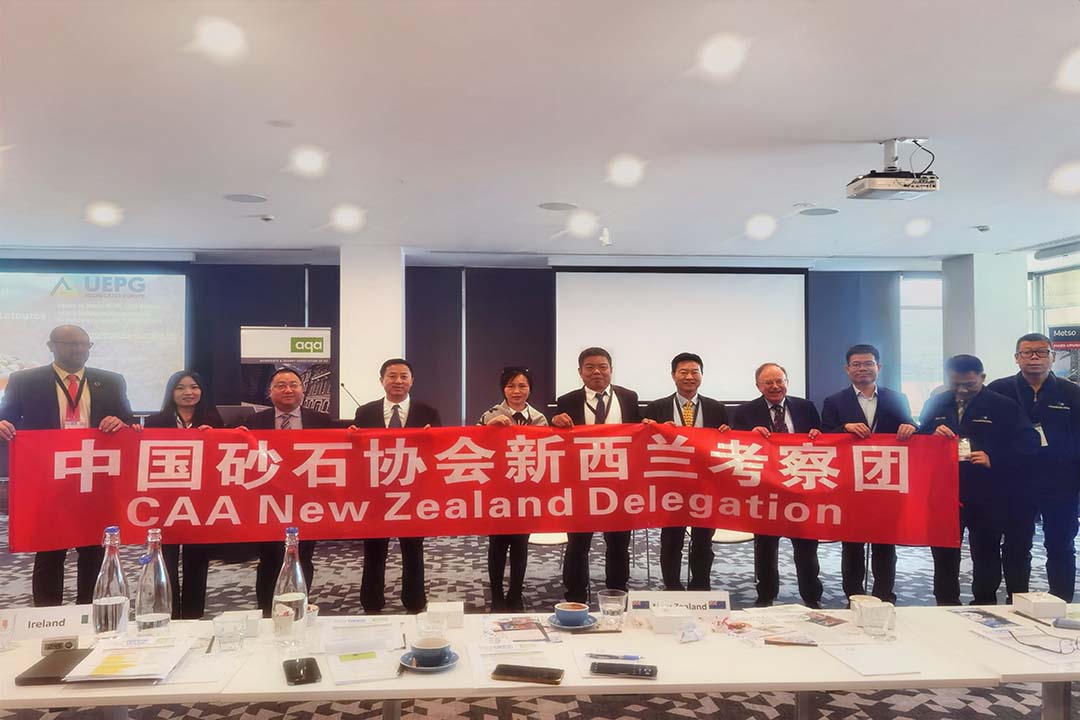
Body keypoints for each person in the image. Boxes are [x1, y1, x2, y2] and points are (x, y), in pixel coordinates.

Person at [0, 324, 134, 606]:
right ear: (51, 346)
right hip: (49, 479)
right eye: (71, 344)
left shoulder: (110, 381)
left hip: (94, 478)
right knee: (50, 550)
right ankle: (48, 616)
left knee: (93, 549)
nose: (79, 350)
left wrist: (120, 422)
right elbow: (6, 417)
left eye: (85, 344)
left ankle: (89, 611)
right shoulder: (25, 380)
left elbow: (128, 420)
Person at [917, 354, 1038, 605]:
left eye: (969, 384)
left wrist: (994, 458)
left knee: (985, 550)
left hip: (987, 492)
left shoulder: (1003, 405)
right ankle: (946, 603)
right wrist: (931, 434)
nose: (962, 390)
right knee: (944, 551)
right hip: (945, 491)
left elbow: (1029, 443)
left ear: (982, 378)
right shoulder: (937, 403)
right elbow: (920, 437)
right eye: (956, 384)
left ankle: (984, 601)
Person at [820, 344, 916, 604]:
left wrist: (911, 427)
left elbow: (910, 426)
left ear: (878, 367)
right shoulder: (834, 401)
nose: (862, 368)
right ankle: (854, 595)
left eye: (868, 363)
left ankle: (884, 595)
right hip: (850, 483)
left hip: (886, 482)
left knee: (885, 543)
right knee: (852, 544)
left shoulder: (897, 398)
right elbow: (824, 436)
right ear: (847, 369)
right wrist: (845, 428)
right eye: (856, 364)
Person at [988, 334, 1080, 602]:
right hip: (1014, 481)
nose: (1034, 357)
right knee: (1016, 545)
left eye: (1041, 352)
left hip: (1061, 483)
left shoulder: (1072, 392)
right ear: (1017, 358)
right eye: (1027, 352)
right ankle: (1016, 600)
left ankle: (1061, 601)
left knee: (1061, 545)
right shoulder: (999, 390)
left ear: (1053, 356)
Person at [238, 367, 333, 616]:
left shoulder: (322, 421)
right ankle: (267, 612)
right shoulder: (253, 423)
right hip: (268, 502)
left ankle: (299, 607)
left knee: (303, 557)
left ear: (303, 390)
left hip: (306, 503)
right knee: (269, 558)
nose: (288, 389)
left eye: (293, 384)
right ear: (270, 392)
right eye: (280, 385)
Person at [550, 347, 641, 604]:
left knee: (618, 543)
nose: (597, 372)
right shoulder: (567, 401)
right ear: (580, 372)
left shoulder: (629, 397)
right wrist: (555, 422)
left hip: (619, 483)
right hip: (581, 483)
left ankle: (617, 593)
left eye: (602, 366)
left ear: (611, 370)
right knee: (578, 544)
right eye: (589, 367)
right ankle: (575, 596)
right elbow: (556, 437)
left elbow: (640, 432)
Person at [352, 358, 441, 614]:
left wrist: (433, 437)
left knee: (413, 550)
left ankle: (414, 601)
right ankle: (371, 602)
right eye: (392, 376)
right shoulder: (365, 412)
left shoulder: (428, 411)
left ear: (412, 381)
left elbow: (440, 450)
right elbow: (356, 452)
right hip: (376, 493)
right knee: (374, 550)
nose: (398, 381)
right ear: (382, 380)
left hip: (413, 492)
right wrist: (351, 437)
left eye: (404, 376)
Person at [732, 362, 823, 608]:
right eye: (768, 382)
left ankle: (811, 596)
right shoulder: (745, 412)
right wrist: (748, 435)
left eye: (779, 381)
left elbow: (822, 438)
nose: (775, 386)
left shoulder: (806, 407)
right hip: (765, 490)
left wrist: (818, 435)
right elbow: (735, 447)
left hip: (800, 488)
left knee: (806, 546)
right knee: (765, 547)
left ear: (787, 382)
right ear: (758, 386)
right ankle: (766, 595)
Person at [642, 352, 731, 591]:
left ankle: (700, 586)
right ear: (673, 375)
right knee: (671, 541)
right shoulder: (656, 407)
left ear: (702, 375)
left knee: (703, 541)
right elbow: (643, 445)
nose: (689, 377)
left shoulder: (716, 408)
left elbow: (725, 445)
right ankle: (672, 587)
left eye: (694, 372)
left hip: (706, 485)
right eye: (683, 372)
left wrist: (727, 432)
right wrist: (653, 428)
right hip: (670, 485)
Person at [143, 370, 224, 619]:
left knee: (197, 562)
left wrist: (219, 436)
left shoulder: (213, 420)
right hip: (164, 502)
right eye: (180, 387)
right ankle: (169, 615)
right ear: (171, 392)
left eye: (194, 387)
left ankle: (192, 617)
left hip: (199, 503)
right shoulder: (155, 422)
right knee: (164, 561)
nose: (188, 392)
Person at [478, 366, 549, 611]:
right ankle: (497, 595)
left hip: (526, 493)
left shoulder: (539, 419)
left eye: (522, 386)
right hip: (497, 492)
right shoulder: (490, 414)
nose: (516, 391)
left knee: (520, 545)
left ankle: (516, 593)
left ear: (530, 389)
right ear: (503, 389)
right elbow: (473, 447)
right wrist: (488, 430)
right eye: (511, 386)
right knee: (497, 546)